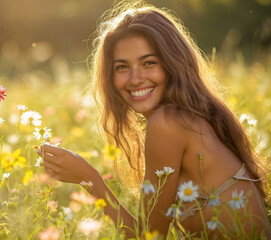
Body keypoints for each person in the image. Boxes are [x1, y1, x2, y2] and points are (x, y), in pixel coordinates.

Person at [38, 1, 271, 238]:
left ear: (172, 63)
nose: (135, 78)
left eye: (148, 63)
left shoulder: (168, 123)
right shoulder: (193, 115)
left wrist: (89, 179)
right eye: (122, 67)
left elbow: (148, 237)